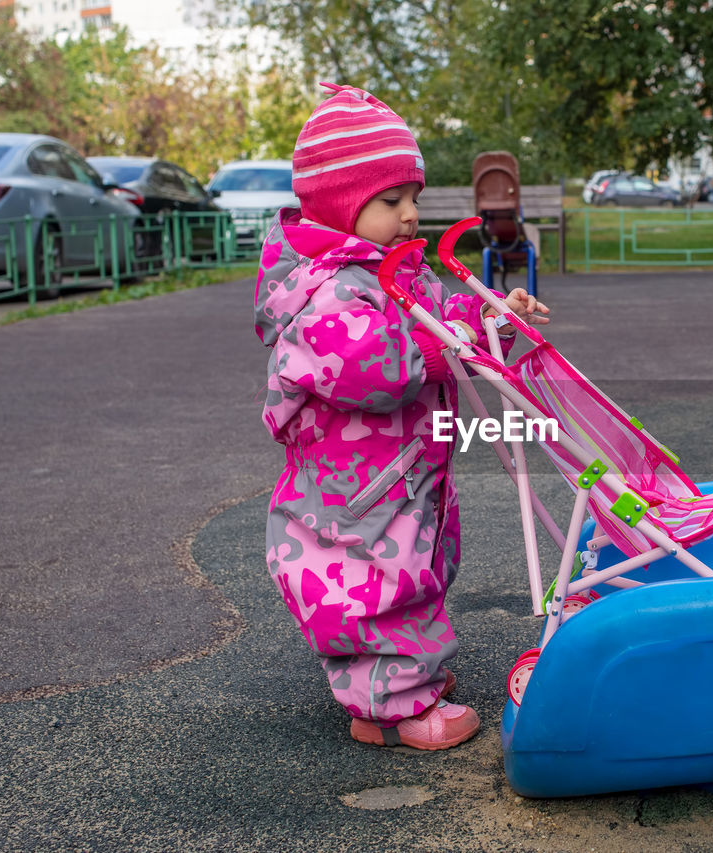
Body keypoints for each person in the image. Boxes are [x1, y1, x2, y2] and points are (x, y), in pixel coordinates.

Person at [253, 83, 549, 751]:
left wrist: (486, 318)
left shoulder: (388, 271)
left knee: (418, 568)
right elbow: (371, 366)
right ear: (339, 204)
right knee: (373, 581)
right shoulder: (324, 290)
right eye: (392, 202)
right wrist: (445, 347)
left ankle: (406, 680)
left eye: (412, 197)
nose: (411, 214)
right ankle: (388, 709)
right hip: (357, 492)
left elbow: (438, 317)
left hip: (402, 473)